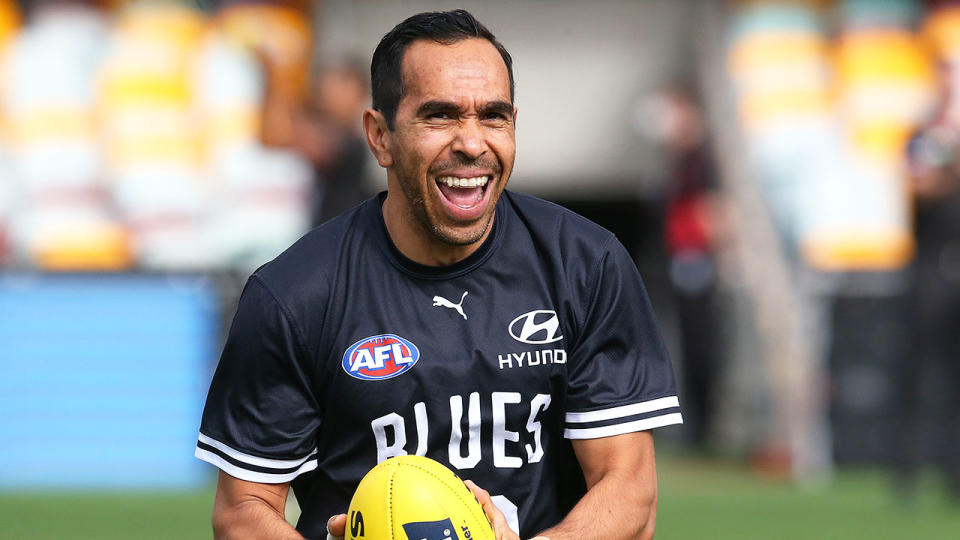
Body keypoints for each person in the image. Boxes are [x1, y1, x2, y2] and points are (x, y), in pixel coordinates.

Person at [195, 10, 682, 540]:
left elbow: (630, 487)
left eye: (494, 116)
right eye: (441, 116)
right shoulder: (293, 295)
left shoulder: (587, 267)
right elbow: (241, 511)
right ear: (380, 136)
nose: (472, 143)